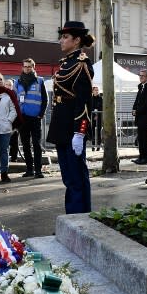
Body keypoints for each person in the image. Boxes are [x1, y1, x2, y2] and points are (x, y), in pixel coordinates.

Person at [46, 21, 94, 214]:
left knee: (76, 177)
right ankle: (72, 218)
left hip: (72, 129)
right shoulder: (67, 63)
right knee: (68, 177)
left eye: (65, 37)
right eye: (62, 36)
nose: (61, 40)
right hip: (61, 127)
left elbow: (84, 102)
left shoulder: (82, 64)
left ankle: (79, 218)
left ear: (76, 40)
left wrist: (80, 132)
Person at [14, 59, 48, 177]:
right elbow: (15, 100)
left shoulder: (40, 81)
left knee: (36, 144)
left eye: (29, 66)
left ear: (34, 67)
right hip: (23, 118)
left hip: (35, 118)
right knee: (25, 144)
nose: (27, 68)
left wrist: (41, 113)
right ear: (22, 67)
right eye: (25, 66)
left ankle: (38, 170)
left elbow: (45, 99)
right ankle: (29, 170)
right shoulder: (17, 82)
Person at [132, 69, 147, 165]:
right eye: (140, 75)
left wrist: (138, 111)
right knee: (141, 138)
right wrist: (133, 109)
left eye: (142, 76)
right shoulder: (140, 87)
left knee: (146, 138)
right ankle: (141, 156)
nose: (140, 77)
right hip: (140, 117)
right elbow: (137, 100)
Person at [4, 78, 20, 163]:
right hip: (3, 121)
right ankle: (5, 156)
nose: (7, 86)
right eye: (6, 84)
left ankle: (14, 157)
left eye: (9, 85)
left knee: (14, 140)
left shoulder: (15, 95)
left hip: (13, 121)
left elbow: (17, 109)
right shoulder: (1, 94)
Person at [90, 86, 103, 152]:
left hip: (99, 117)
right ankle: (93, 146)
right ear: (92, 91)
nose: (97, 91)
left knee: (98, 132)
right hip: (92, 118)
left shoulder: (100, 98)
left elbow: (101, 107)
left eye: (97, 90)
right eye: (95, 90)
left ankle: (98, 146)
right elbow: (90, 107)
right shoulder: (90, 98)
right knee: (92, 132)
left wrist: (97, 114)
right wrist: (94, 115)